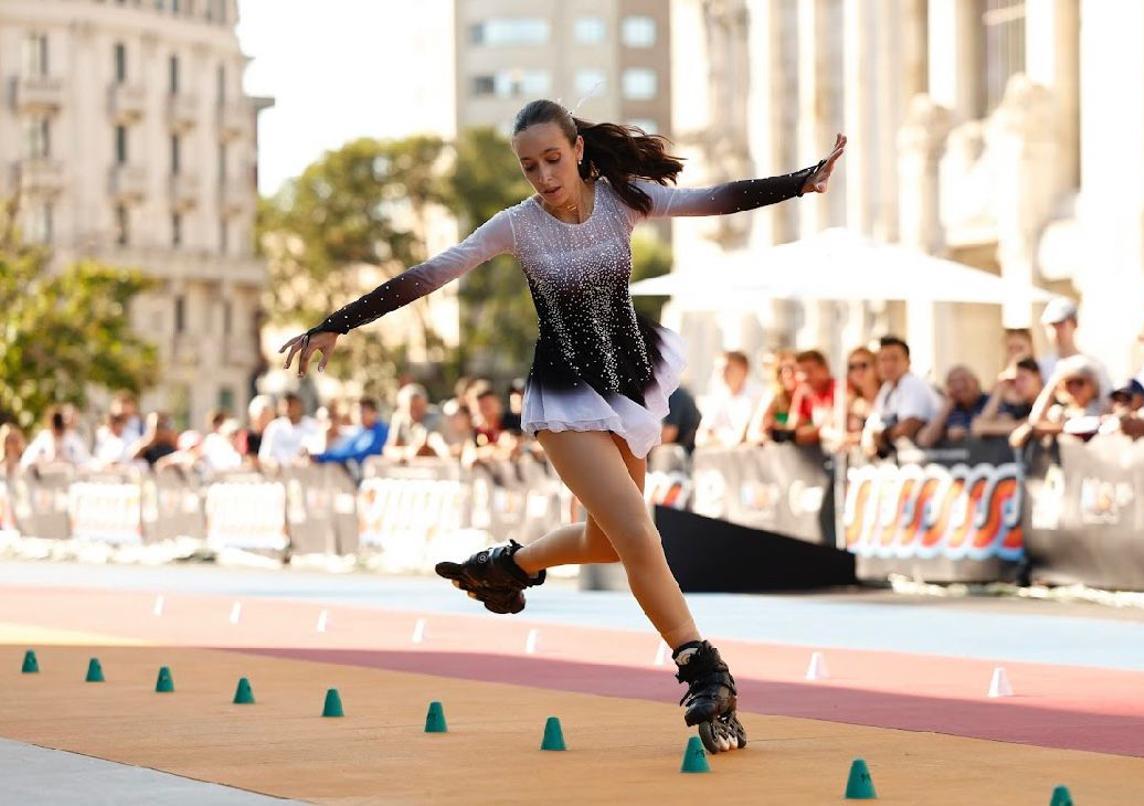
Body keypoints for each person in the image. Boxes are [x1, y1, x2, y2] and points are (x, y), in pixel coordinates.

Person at [280, 98, 845, 754]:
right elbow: (427, 276)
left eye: (552, 159)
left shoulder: (623, 200)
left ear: (578, 149)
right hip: (566, 395)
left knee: (609, 542)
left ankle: (506, 566)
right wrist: (338, 321)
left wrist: (801, 180)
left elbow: (712, 198)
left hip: (629, 381)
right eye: (529, 167)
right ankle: (701, 665)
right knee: (638, 534)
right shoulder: (516, 227)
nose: (544, 176)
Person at [861, 336, 939, 457]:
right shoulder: (887, 389)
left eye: (894, 359)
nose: (888, 365)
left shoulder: (912, 383)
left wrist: (882, 436)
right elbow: (872, 428)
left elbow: (908, 427)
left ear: (907, 361)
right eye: (883, 360)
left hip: (930, 459)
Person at [696, 350, 759, 448]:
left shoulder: (757, 396)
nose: (722, 373)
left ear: (744, 370)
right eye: (718, 369)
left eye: (727, 368)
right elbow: (701, 438)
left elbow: (742, 437)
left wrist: (718, 434)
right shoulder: (718, 397)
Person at [917, 365, 987, 447]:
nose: (959, 386)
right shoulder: (950, 409)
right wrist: (947, 407)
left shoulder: (990, 401)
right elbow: (924, 440)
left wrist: (966, 433)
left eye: (963, 380)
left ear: (976, 381)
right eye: (953, 382)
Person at [972, 357, 1043, 439]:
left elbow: (1034, 424)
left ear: (1038, 376)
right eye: (1015, 381)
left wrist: (1016, 426)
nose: (1018, 385)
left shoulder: (1051, 401)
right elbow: (978, 427)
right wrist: (999, 391)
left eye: (1023, 378)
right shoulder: (1019, 407)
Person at [259, 392, 321, 466]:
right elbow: (264, 456)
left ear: (300, 406)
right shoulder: (274, 427)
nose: (288, 408)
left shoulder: (312, 425)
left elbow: (319, 452)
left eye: (292, 405)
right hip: (280, 475)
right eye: (285, 405)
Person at [788, 350, 836, 446]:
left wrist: (796, 435)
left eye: (809, 370)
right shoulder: (803, 392)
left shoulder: (838, 389)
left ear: (824, 369)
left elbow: (829, 426)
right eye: (800, 372)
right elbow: (793, 426)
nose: (804, 377)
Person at [20, 405, 91, 469]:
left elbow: (85, 461)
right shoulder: (43, 439)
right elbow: (26, 461)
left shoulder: (73, 439)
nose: (58, 428)